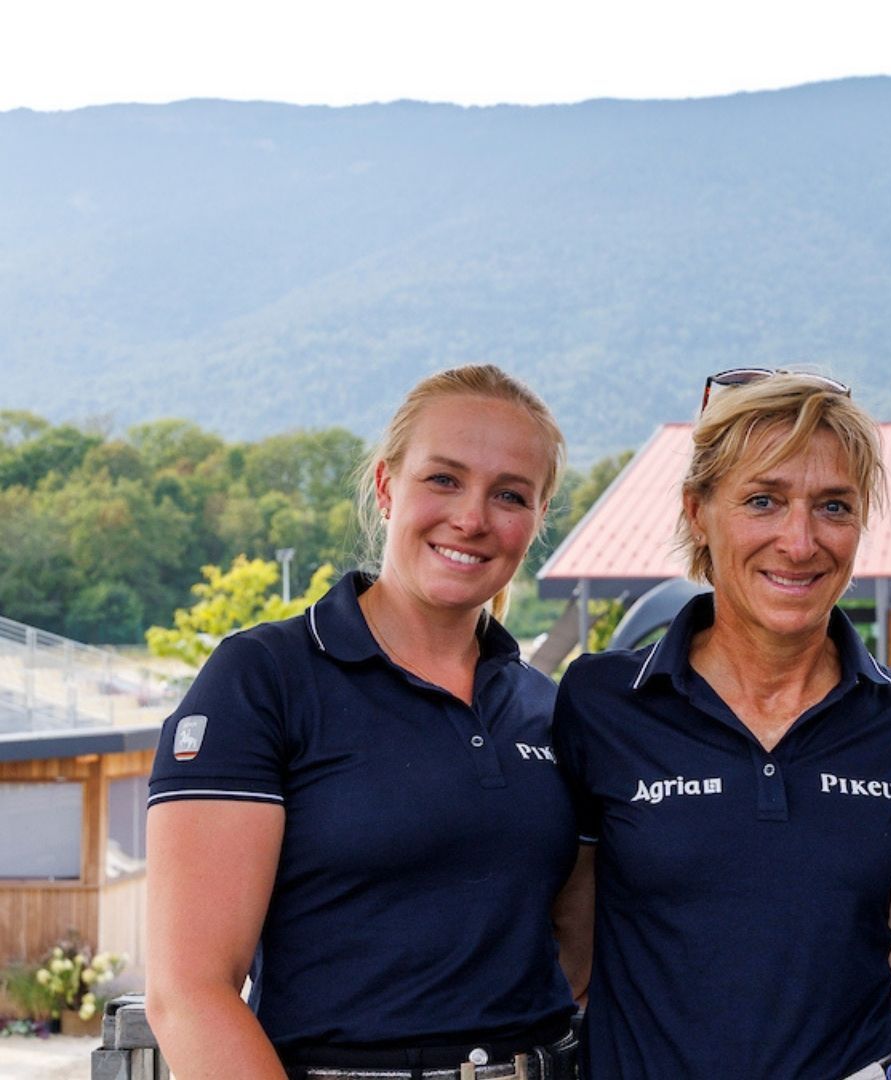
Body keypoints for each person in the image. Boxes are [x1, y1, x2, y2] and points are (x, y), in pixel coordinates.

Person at [146, 365, 590, 1079]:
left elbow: (573, 957)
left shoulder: (547, 709)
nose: (472, 518)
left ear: (537, 522)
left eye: (509, 495)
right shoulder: (263, 680)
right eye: (443, 479)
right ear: (387, 488)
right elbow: (188, 993)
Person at [552, 370, 891, 1079]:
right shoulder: (603, 701)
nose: (799, 543)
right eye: (763, 501)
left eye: (834, 506)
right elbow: (572, 947)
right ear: (697, 511)